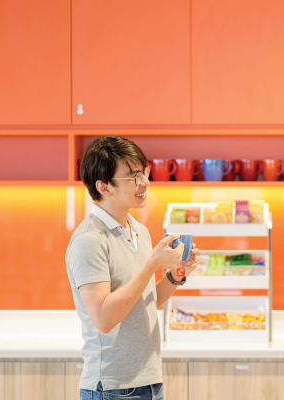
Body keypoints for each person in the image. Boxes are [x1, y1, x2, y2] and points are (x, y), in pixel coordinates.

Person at [65, 135, 198, 399]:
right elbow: (104, 318)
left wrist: (174, 275)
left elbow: (145, 301)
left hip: (149, 381)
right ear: (104, 187)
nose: (145, 183)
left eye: (144, 173)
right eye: (133, 177)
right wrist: (151, 266)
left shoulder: (139, 230)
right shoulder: (89, 240)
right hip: (113, 387)